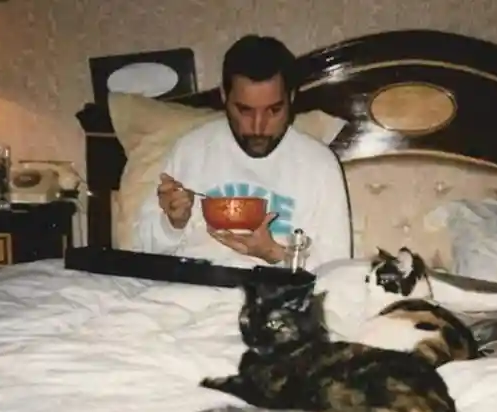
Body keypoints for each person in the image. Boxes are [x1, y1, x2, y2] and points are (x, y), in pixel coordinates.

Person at [133, 34, 352, 271]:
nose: (259, 127)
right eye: (245, 111)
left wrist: (276, 254)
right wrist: (172, 224)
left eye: (274, 110)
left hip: (272, 297)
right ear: (225, 97)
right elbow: (139, 252)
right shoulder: (191, 149)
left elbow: (337, 270)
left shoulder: (319, 165)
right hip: (192, 290)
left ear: (291, 98)